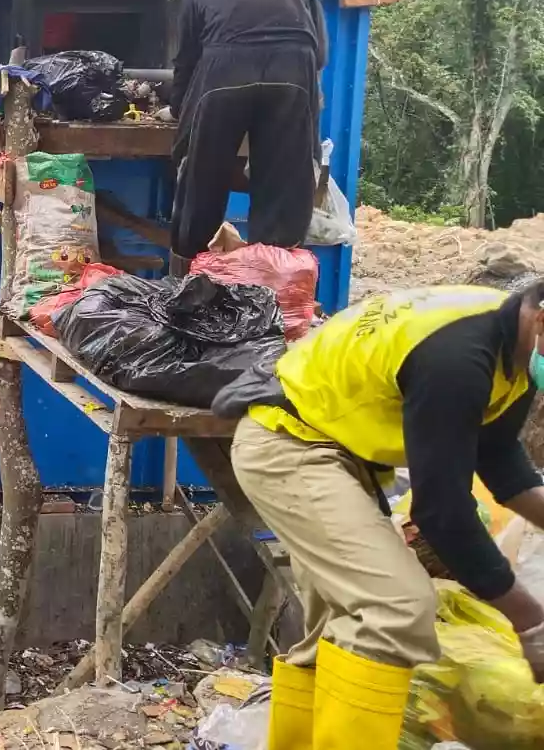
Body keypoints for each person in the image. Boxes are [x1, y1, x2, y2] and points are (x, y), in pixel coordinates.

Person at [214, 283, 544, 750]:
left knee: (337, 622)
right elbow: (441, 513)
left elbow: (500, 458)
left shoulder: (511, 343)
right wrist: (530, 622)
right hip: (289, 444)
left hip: (335, 450)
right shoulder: (459, 357)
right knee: (395, 608)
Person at [168, 0, 327, 272]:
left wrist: (180, 109)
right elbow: (321, 53)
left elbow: (186, 56)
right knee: (283, 184)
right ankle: (273, 291)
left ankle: (189, 279)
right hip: (294, 73)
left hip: (225, 68)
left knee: (202, 176)